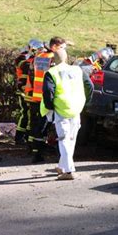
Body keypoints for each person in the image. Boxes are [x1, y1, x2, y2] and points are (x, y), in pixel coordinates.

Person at [40, 48, 93, 180]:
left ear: (53, 59)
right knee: (71, 139)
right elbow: (90, 86)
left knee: (63, 139)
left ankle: (69, 171)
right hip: (76, 107)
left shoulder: (51, 72)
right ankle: (62, 166)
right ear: (67, 57)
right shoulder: (77, 70)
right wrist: (85, 101)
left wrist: (50, 107)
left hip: (61, 108)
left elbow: (48, 92)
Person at [13, 44, 31, 145]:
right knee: (25, 114)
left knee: (26, 114)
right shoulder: (24, 62)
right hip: (25, 91)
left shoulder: (22, 60)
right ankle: (20, 137)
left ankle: (21, 136)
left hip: (24, 90)